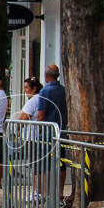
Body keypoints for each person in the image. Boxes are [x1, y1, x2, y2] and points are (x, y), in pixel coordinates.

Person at [37, 64, 69, 201]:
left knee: (45, 163)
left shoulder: (45, 91)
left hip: (48, 132)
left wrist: (39, 130)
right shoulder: (63, 90)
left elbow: (41, 114)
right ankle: (60, 192)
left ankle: (45, 193)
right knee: (61, 161)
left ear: (46, 75)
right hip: (62, 131)